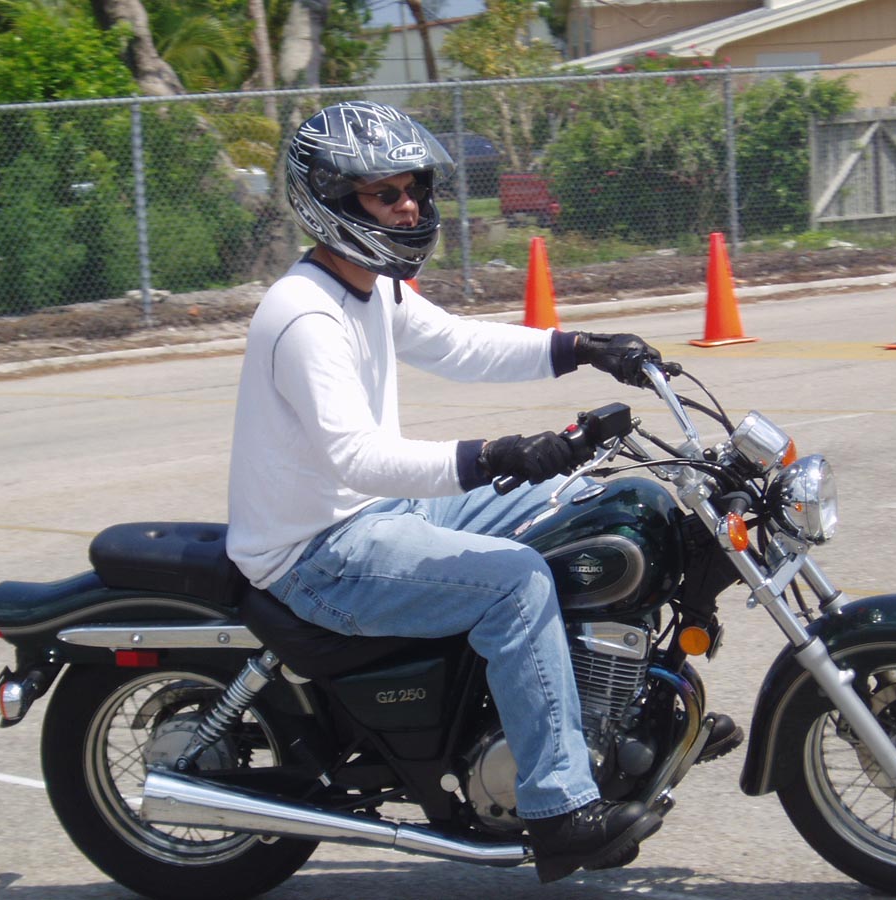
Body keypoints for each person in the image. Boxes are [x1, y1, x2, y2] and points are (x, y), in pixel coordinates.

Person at [227, 100, 666, 883]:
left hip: (375, 516)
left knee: (579, 505)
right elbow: (360, 458)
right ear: (329, 199)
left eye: (415, 191)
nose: (409, 208)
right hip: (319, 552)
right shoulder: (305, 315)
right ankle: (559, 809)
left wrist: (584, 347)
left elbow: (460, 345)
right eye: (385, 194)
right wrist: (496, 455)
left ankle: (628, 711)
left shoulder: (372, 288)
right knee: (517, 584)